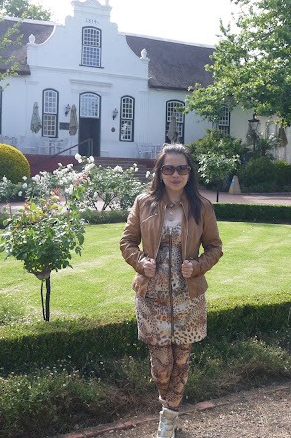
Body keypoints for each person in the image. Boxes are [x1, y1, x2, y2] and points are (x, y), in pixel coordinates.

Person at [120, 143, 223, 438]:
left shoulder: (202, 207)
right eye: (169, 168)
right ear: (160, 172)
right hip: (152, 297)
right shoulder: (144, 203)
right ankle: (169, 406)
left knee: (181, 361)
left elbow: (215, 247)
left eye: (182, 168)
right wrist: (141, 262)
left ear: (189, 173)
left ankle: (168, 419)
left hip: (188, 298)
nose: (175, 174)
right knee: (162, 366)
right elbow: (127, 242)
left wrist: (198, 266)